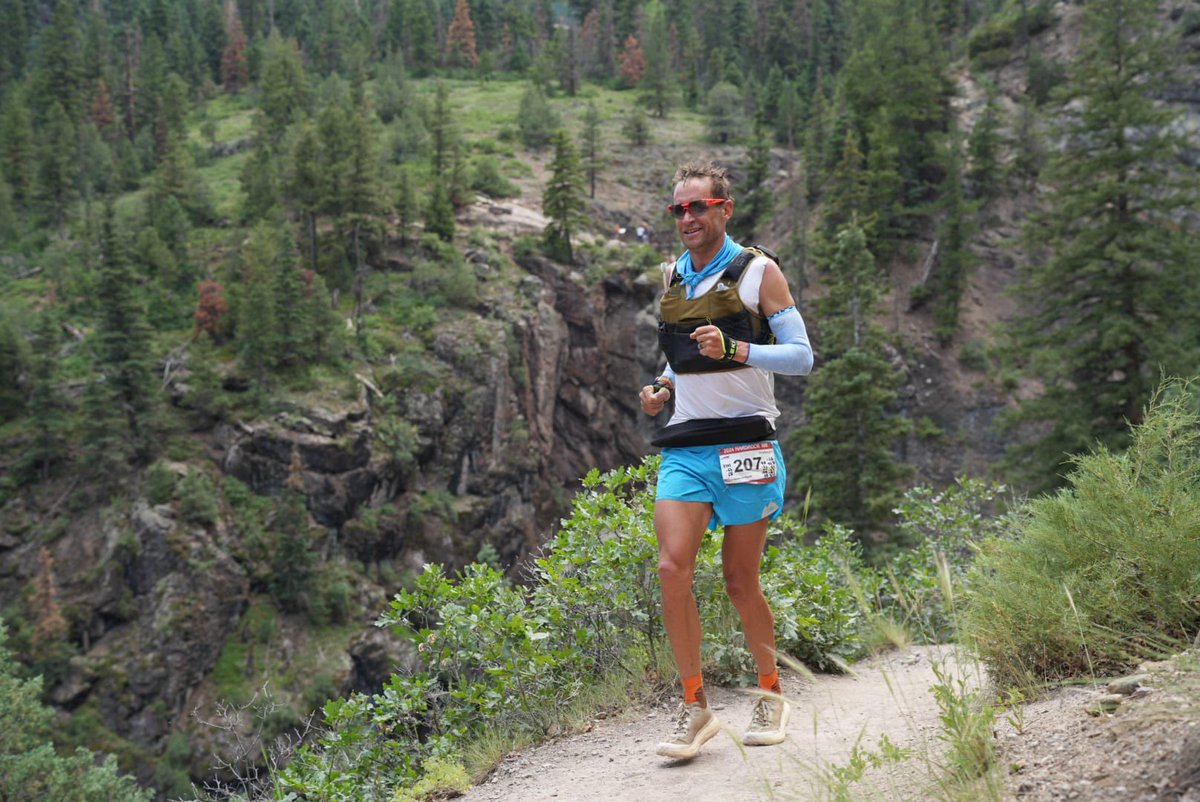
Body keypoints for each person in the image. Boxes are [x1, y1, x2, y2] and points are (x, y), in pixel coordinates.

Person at [639, 161, 813, 760]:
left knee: (740, 581)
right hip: (686, 446)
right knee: (671, 569)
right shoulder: (672, 275)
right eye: (678, 209)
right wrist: (662, 387)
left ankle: (770, 693)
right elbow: (679, 355)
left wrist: (737, 347)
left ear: (724, 209)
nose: (687, 217)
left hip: (747, 445)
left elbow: (801, 357)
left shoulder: (759, 272)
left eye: (698, 206)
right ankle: (695, 707)